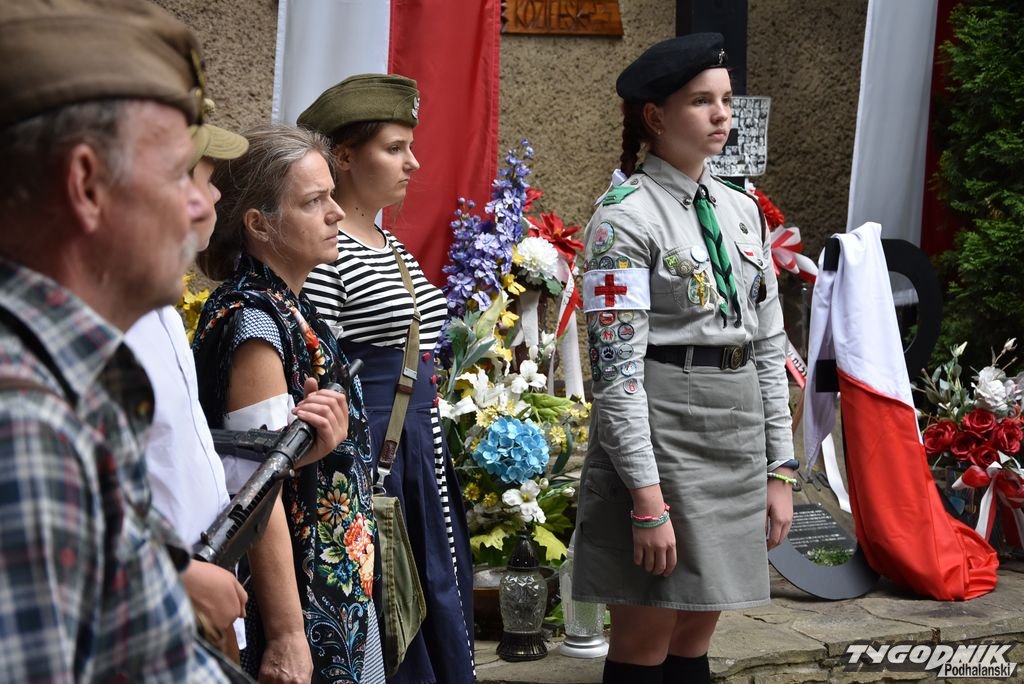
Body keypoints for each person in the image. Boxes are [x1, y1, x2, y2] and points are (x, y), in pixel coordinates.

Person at [0, 1, 226, 680]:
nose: (200, 204)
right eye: (180, 173)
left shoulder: (67, 386)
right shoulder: (26, 428)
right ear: (87, 185)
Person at [571, 33, 797, 684]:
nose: (722, 114)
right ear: (656, 116)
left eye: (726, 99)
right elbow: (616, 375)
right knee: (647, 636)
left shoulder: (742, 209)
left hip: (735, 436)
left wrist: (780, 468)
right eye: (701, 101)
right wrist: (646, 500)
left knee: (695, 634)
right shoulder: (623, 220)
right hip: (664, 436)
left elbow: (768, 345)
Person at [191, 125, 387, 684]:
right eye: (314, 201)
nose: (336, 213)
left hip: (333, 587)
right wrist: (286, 634)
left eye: (332, 196)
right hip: (303, 601)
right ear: (259, 224)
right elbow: (258, 489)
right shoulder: (255, 323)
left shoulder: (289, 307)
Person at [299, 74, 476, 684]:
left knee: (432, 589)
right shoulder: (330, 249)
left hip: (413, 452)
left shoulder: (385, 241)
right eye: (394, 148)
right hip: (373, 453)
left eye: (410, 147)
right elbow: (318, 363)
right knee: (395, 605)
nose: (412, 162)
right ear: (345, 157)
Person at [126, 116, 254, 657]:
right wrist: (173, 572)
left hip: (195, 613)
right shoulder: (105, 320)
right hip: (148, 621)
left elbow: (180, 456)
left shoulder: (158, 307)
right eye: (199, 176)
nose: (214, 196)